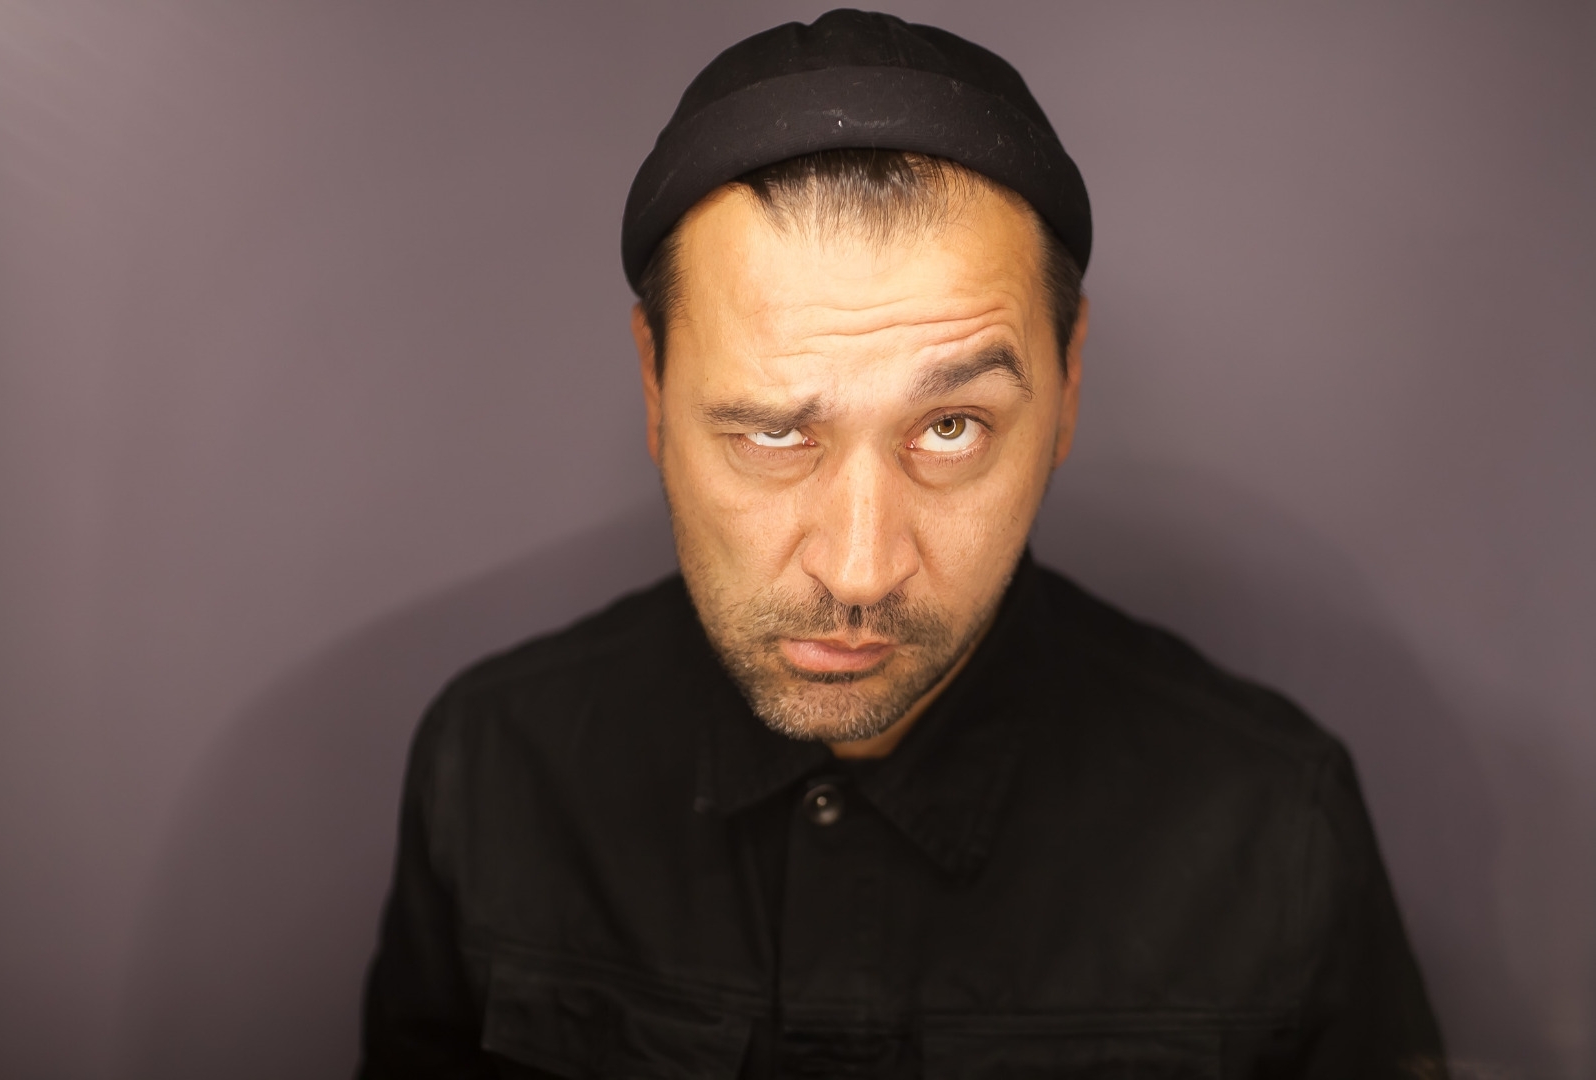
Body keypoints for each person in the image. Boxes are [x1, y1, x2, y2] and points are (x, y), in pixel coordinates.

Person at [358, 10, 1445, 1077]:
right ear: (654, 384)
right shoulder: (492, 772)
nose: (860, 570)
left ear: (1067, 387)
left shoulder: (1272, 826)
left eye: (949, 428)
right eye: (772, 433)